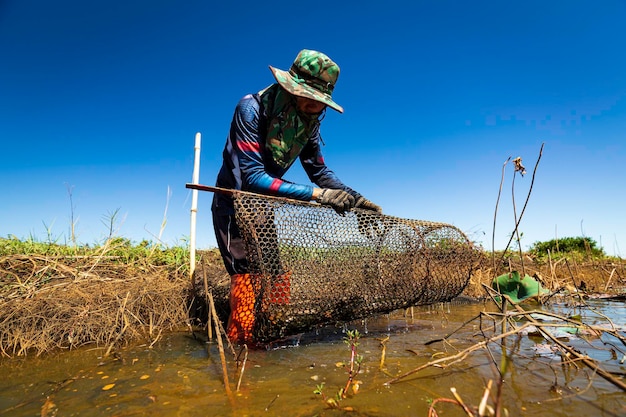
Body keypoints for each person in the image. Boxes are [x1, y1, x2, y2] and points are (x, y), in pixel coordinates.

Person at [212, 49, 381, 344]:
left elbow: (319, 171)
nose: (312, 105)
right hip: (233, 203)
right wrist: (319, 196)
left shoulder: (310, 123)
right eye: (306, 97)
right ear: (290, 88)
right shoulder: (251, 109)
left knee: (275, 274)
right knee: (248, 276)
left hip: (263, 208)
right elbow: (252, 178)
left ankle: (273, 340)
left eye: (318, 101)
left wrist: (355, 199)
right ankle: (242, 352)